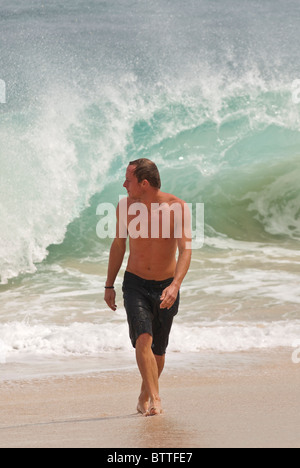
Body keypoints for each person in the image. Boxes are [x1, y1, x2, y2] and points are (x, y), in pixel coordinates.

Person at [104, 158, 192, 416]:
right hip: (136, 284)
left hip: (166, 286)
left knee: (158, 351)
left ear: (143, 183)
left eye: (128, 180)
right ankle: (156, 399)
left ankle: (144, 394)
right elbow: (119, 245)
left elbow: (185, 249)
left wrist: (175, 285)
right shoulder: (125, 207)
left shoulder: (177, 208)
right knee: (143, 337)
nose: (124, 185)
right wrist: (109, 285)